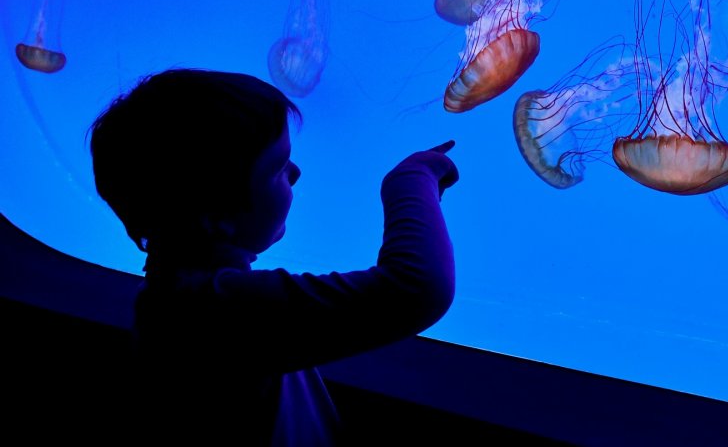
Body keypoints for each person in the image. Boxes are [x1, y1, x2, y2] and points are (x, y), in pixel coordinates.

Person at [88, 68, 458, 445]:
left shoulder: (176, 301)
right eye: (278, 168)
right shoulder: (209, 314)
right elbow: (418, 288)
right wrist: (412, 179)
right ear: (215, 216)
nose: (295, 173)